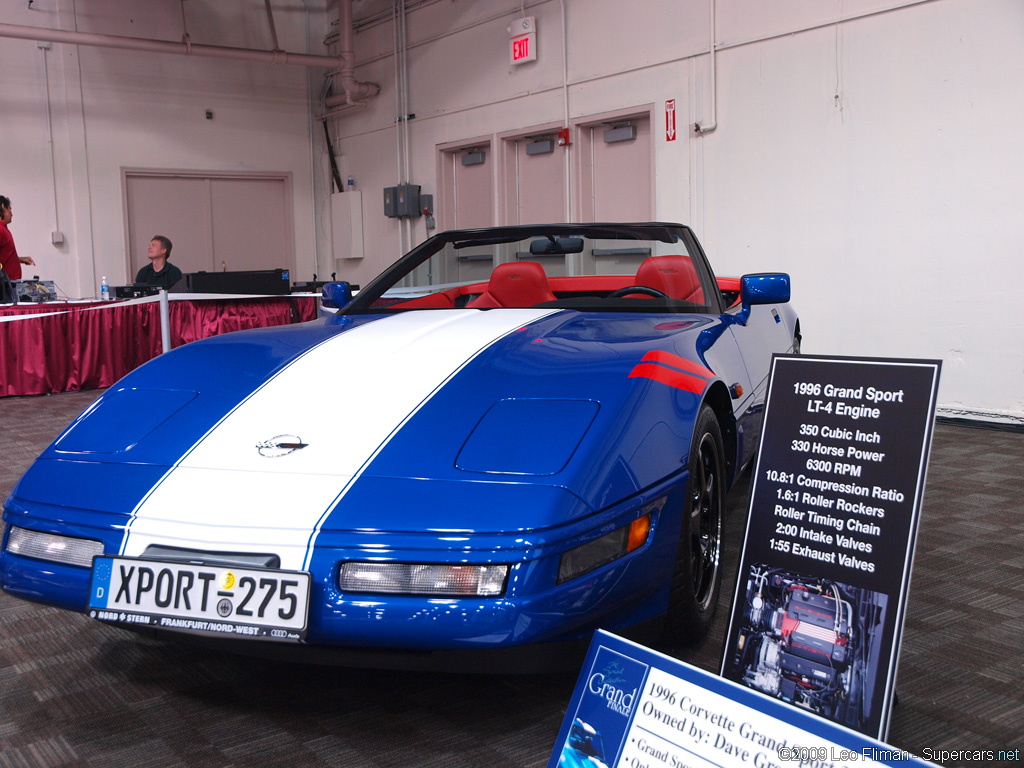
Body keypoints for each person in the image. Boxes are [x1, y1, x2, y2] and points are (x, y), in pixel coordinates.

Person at [0, 196, 37, 281]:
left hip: (9, 286)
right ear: (3, 207)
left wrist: (19, 259)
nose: (12, 214)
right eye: (10, 209)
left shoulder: (4, 229)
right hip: (4, 287)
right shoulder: (0, 230)